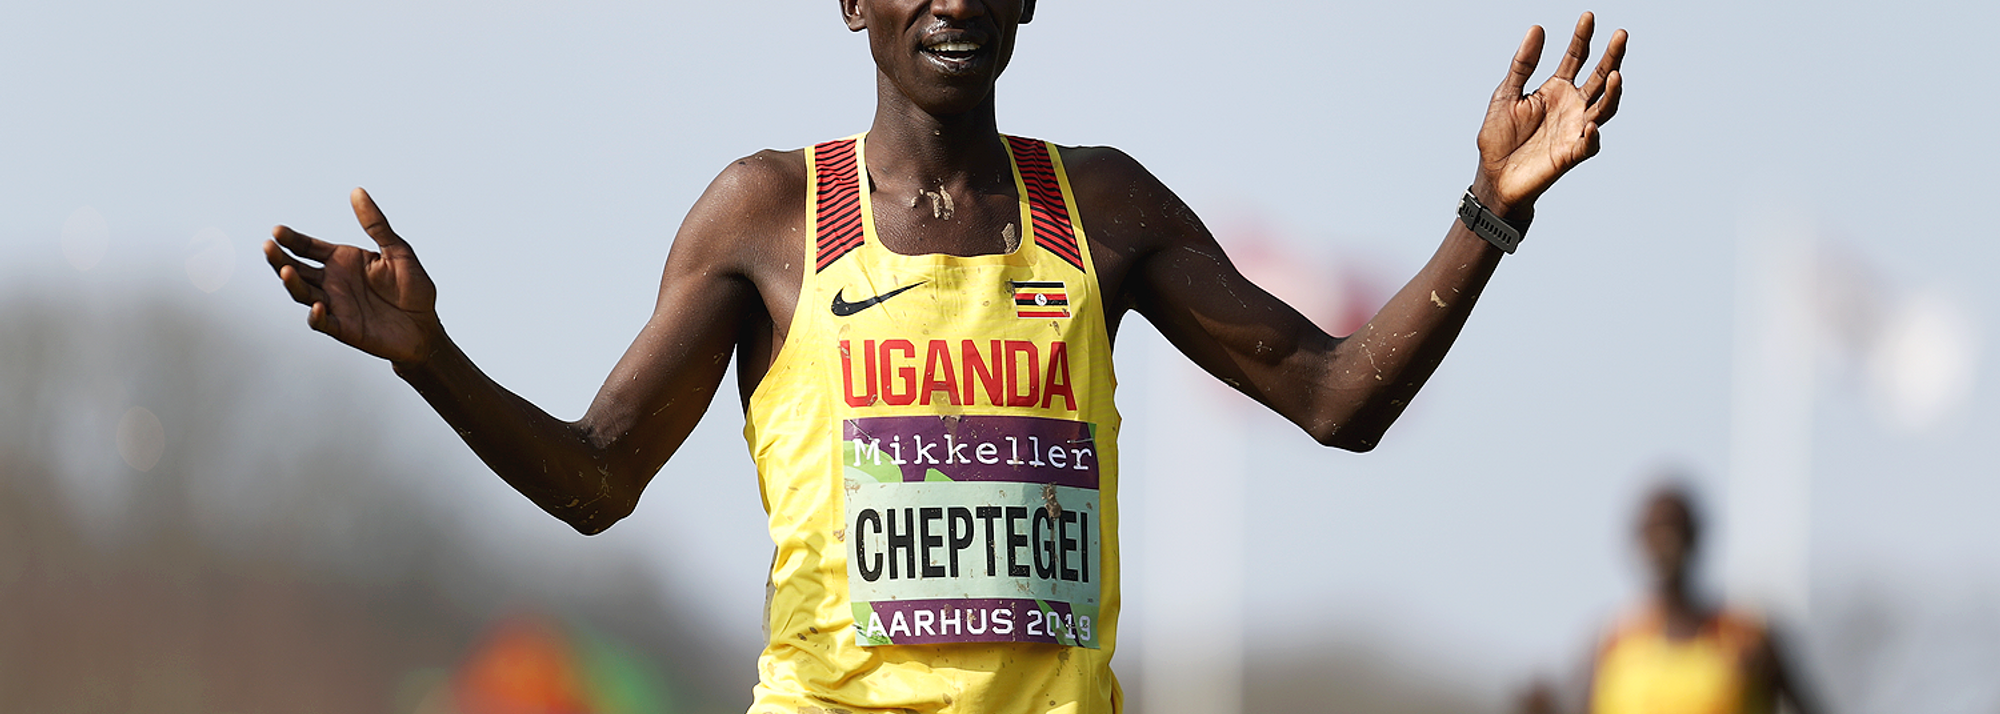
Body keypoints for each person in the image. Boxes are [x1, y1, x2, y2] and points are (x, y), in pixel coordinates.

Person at [263, 1, 1626, 712]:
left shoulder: (1104, 210)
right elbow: (597, 475)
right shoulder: (768, 215)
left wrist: (1487, 211)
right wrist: (429, 358)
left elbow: (1336, 398)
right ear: (851, 0)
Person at [1584, 484, 1824, 714]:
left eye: (1675, 528)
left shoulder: (1745, 638)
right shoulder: (1613, 643)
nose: (1665, 541)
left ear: (1695, 535)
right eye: (1655, 530)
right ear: (1638, 541)